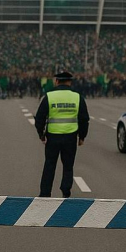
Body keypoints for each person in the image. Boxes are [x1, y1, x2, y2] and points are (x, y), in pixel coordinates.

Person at [34, 70, 90, 198]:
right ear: (70, 82)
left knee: (49, 165)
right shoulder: (77, 97)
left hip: (53, 137)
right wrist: (82, 137)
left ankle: (45, 192)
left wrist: (41, 134)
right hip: (70, 137)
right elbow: (84, 119)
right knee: (68, 166)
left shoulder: (49, 97)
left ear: (57, 81)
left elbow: (39, 118)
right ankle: (66, 190)